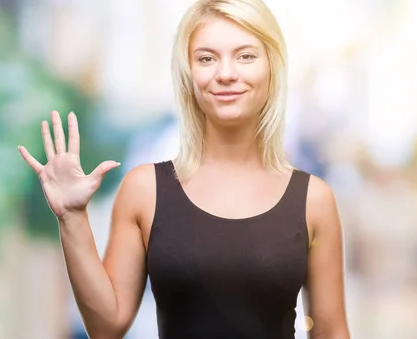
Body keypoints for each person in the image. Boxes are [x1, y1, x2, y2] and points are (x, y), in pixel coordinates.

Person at [18, 0, 350, 337]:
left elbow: (331, 331)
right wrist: (71, 217)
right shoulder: (144, 190)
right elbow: (106, 326)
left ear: (272, 68)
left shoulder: (313, 200)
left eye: (245, 56)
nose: (225, 73)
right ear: (188, 74)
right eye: (206, 58)